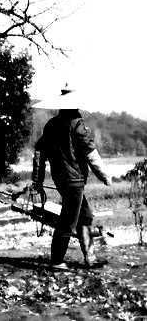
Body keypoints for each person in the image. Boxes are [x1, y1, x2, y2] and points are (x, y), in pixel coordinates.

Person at [32, 89, 112, 268]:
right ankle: (57, 261)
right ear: (75, 106)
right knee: (68, 220)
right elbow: (91, 154)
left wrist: (37, 180)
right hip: (74, 180)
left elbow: (39, 152)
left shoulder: (50, 125)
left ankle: (90, 258)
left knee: (86, 216)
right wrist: (105, 176)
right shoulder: (77, 124)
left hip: (60, 179)